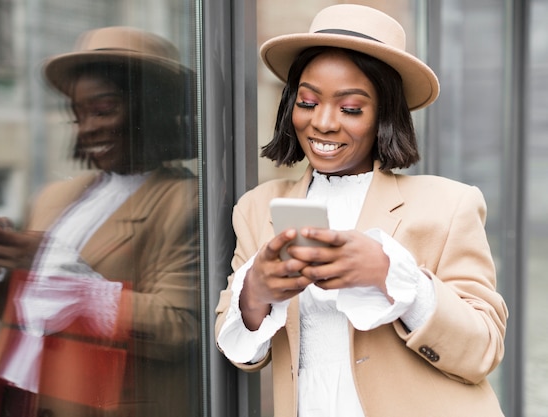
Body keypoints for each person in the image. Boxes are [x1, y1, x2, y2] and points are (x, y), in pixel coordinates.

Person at [215, 4, 508, 417]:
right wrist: (255, 294)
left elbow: (483, 349)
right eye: (307, 102)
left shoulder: (449, 204)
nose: (324, 122)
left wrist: (393, 277)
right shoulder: (256, 207)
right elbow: (239, 351)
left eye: (350, 108)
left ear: (384, 115)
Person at [0, 27, 200, 417]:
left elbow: (180, 329)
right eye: (78, 116)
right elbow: (27, 313)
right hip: (17, 397)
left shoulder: (185, 201)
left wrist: (63, 275)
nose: (88, 129)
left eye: (103, 110)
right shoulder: (54, 197)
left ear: (151, 108)